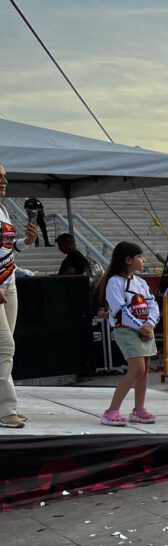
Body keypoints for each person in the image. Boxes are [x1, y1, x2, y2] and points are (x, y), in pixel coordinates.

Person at [99, 242, 159, 426]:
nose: (143, 260)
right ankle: (111, 411)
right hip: (126, 330)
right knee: (137, 369)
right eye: (140, 256)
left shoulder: (140, 282)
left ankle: (139, 410)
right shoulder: (114, 282)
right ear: (127, 260)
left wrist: (150, 324)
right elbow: (120, 311)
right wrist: (141, 326)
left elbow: (152, 304)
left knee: (145, 369)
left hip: (145, 330)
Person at [0, 165, 39, 428]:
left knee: (6, 347)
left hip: (9, 280)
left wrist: (26, 241)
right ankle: (6, 409)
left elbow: (7, 246)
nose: (4, 180)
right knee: (5, 347)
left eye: (4, 175)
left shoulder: (2, 209)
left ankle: (5, 404)